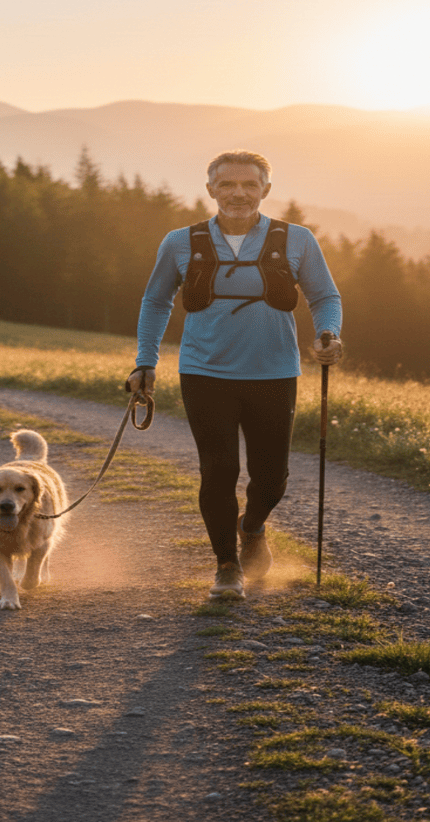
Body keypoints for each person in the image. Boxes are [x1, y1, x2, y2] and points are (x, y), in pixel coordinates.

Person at [127, 151, 342, 599]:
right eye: (227, 184)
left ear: (265, 189)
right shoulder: (180, 242)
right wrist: (146, 361)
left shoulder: (297, 239)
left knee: (272, 477)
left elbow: (325, 296)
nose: (238, 193)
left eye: (249, 184)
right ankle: (227, 567)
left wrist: (328, 334)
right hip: (205, 373)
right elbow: (156, 301)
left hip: (275, 373)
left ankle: (253, 526)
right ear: (210, 190)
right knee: (218, 470)